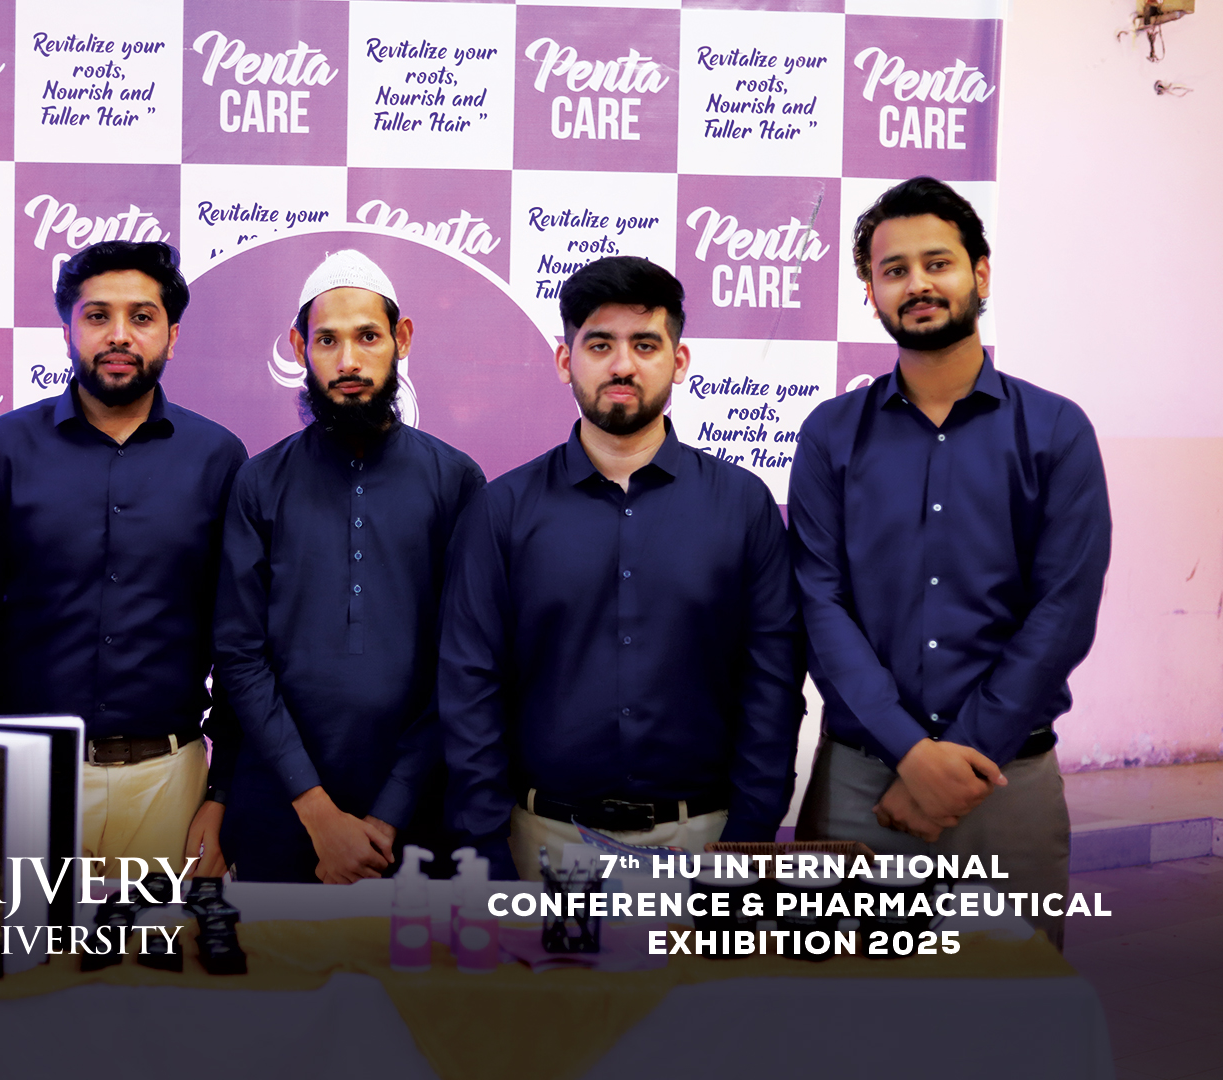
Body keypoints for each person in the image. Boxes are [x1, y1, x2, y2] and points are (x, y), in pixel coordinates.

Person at [788, 176, 1112, 947]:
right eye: (894, 270)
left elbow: (1063, 612)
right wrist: (909, 751)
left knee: (1013, 1008)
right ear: (871, 292)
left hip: (1008, 782)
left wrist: (956, 759)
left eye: (938, 263)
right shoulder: (831, 434)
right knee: (845, 1007)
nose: (918, 284)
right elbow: (819, 603)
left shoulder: (1056, 431)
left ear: (981, 274)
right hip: (861, 784)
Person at [440, 256, 805, 879]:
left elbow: (771, 685)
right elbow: (470, 687)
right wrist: (487, 851)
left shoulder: (742, 506)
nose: (622, 365)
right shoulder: (501, 511)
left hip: (706, 844)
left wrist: (746, 841)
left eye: (645, 344)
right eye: (600, 344)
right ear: (565, 360)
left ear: (679, 360)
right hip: (540, 845)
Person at [0, 241, 247, 877]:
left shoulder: (218, 457)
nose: (119, 335)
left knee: (170, 943)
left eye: (142, 317)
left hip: (171, 784)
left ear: (172, 335)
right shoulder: (1, 450)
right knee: (22, 945)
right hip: (24, 779)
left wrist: (222, 792)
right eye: (97, 316)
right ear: (68, 331)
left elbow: (240, 638)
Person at [215, 250, 485, 883]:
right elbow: (239, 656)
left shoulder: (456, 481)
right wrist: (317, 813)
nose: (348, 363)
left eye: (367, 337)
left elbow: (464, 661)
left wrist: (389, 813)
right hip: (281, 808)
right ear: (299, 348)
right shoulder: (259, 481)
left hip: (419, 817)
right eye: (327, 340)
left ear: (402, 338)